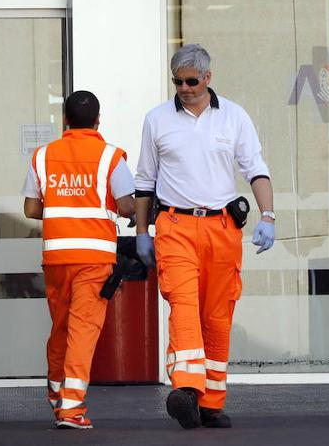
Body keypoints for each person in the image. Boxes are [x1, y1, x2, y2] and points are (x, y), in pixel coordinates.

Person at [133, 44, 275, 430]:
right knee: (183, 305)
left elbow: (256, 169)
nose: (184, 87)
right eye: (177, 81)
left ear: (208, 78)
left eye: (192, 81)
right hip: (175, 227)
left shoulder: (234, 117)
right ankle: (186, 388)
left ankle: (211, 402)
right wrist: (143, 232)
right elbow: (144, 181)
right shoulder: (157, 119)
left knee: (218, 314)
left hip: (222, 229)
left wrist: (269, 216)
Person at [22, 90, 135, 430]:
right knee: (83, 330)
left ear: (66, 121)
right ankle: (71, 409)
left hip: (56, 259)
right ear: (98, 121)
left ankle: (58, 395)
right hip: (94, 259)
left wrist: (63, 208)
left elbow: (30, 208)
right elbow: (127, 205)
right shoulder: (111, 157)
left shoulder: (43, 156)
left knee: (61, 327)